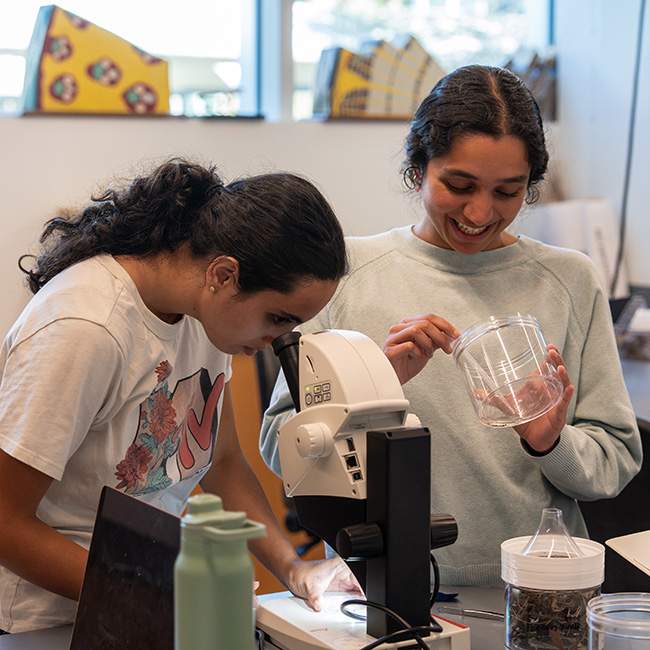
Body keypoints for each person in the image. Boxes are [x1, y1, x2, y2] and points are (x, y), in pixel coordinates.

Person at [260, 65, 642, 587]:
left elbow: (616, 457)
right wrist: (372, 385)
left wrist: (551, 443)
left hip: (538, 588)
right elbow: (279, 446)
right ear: (418, 169)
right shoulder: (344, 273)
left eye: (508, 191)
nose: (481, 212)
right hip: (380, 586)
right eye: (459, 185)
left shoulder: (569, 280)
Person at [0, 159, 361, 634]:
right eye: (278, 318)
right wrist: (149, 586)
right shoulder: (86, 328)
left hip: (140, 603)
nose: (279, 340)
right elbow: (5, 521)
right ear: (224, 275)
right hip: (45, 623)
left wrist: (296, 569)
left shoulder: (205, 315)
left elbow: (224, 461)